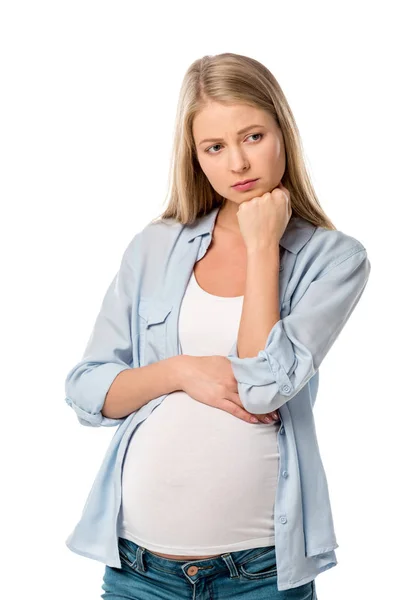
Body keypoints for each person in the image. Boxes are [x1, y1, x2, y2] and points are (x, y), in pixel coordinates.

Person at [64, 53, 371, 599]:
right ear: (196, 157)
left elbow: (263, 386)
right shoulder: (154, 246)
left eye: (252, 136)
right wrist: (182, 370)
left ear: (283, 131)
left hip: (260, 575)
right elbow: (88, 390)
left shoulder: (334, 259)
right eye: (215, 147)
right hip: (138, 570)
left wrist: (261, 247)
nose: (238, 164)